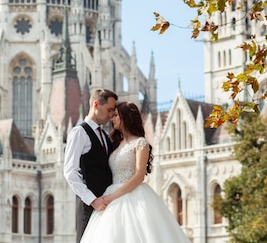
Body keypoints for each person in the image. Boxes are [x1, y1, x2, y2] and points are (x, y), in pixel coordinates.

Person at [80, 102, 191, 243]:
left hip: (133, 196)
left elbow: (139, 176)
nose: (112, 118)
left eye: (115, 115)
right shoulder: (114, 143)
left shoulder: (140, 143)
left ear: (126, 117)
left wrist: (113, 196)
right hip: (110, 196)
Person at [63, 89, 118, 243]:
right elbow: (70, 172)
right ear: (96, 104)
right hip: (89, 207)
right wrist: (93, 200)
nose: (111, 115)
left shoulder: (105, 136)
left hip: (106, 207)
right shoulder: (79, 133)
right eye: (109, 110)